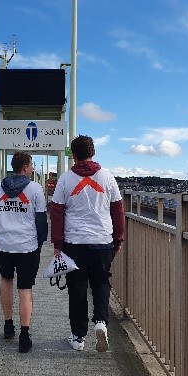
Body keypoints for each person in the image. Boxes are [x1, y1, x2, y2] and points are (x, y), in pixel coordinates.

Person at [50, 135, 125, 352]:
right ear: (93, 152)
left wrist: (57, 243)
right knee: (101, 283)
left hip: (75, 242)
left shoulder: (65, 179)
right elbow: (117, 211)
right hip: (103, 241)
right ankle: (101, 322)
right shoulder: (107, 177)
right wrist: (118, 239)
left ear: (73, 155)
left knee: (77, 289)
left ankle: (78, 337)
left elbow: (56, 212)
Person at [0, 152, 48, 353]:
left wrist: (0, 236)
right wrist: (38, 244)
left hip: (4, 245)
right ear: (25, 167)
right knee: (25, 289)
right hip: (27, 247)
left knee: (6, 280)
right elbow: (41, 221)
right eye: (31, 165)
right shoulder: (35, 189)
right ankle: (24, 335)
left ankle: (8, 325)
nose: (32, 169)